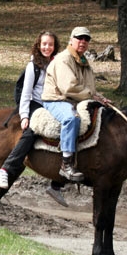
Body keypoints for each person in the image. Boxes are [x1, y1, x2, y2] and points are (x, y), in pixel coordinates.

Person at [0, 31, 69, 207]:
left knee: (69, 127)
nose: (47, 47)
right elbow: (26, 93)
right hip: (35, 103)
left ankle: (57, 183)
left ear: (55, 46)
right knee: (31, 131)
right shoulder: (33, 66)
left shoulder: (57, 64)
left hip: (52, 103)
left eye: (50, 44)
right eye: (44, 44)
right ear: (38, 45)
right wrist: (25, 116)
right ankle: (6, 169)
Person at [41, 26, 110, 182]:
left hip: (75, 99)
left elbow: (89, 89)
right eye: (79, 38)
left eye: (86, 39)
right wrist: (92, 96)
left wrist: (100, 98)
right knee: (72, 119)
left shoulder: (84, 62)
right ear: (71, 40)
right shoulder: (63, 59)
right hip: (57, 100)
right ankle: (66, 164)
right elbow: (68, 87)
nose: (83, 41)